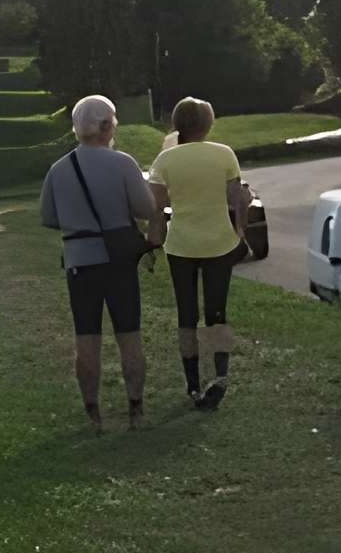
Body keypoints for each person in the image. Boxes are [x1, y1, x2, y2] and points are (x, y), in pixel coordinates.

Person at [39, 93, 159, 428]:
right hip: (118, 260)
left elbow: (49, 217)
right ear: (106, 126)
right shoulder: (123, 164)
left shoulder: (59, 170)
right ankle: (135, 408)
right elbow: (146, 208)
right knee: (129, 334)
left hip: (79, 261)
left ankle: (93, 412)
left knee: (86, 337)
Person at [148, 96, 252, 410]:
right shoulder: (224, 154)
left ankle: (193, 384)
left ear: (177, 124)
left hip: (181, 245)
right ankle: (217, 378)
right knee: (216, 312)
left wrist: (153, 242)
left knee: (187, 315)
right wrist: (241, 232)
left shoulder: (165, 160)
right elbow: (237, 200)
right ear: (208, 124)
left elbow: (156, 208)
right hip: (219, 242)